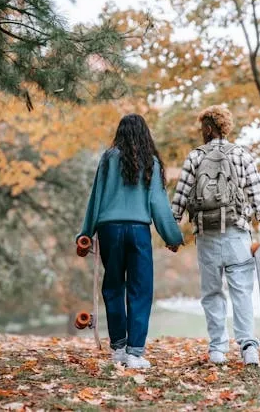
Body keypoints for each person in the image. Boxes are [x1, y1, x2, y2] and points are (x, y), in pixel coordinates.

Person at [75, 114, 183, 369]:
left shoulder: (108, 158)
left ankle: (119, 348)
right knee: (140, 289)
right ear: (146, 134)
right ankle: (135, 353)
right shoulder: (151, 162)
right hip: (138, 230)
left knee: (113, 286)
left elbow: (96, 196)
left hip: (109, 229)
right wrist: (172, 237)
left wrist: (85, 232)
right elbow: (158, 203)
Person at [171, 105, 260, 366]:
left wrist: (172, 229)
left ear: (208, 127)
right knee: (241, 291)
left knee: (212, 293)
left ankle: (217, 349)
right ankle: (248, 347)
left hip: (207, 235)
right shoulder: (241, 154)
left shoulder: (195, 157)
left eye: (202, 127)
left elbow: (180, 196)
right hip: (238, 234)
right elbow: (255, 192)